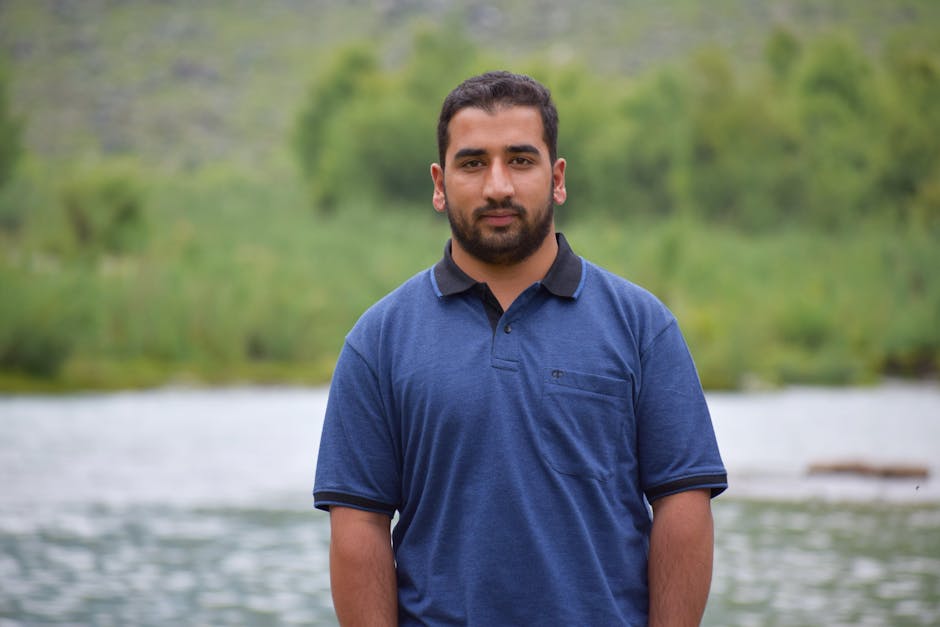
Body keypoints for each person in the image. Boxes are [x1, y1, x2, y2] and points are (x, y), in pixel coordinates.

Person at [314, 70, 727, 626]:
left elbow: (683, 504)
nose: (498, 186)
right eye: (473, 163)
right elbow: (358, 524)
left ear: (557, 178)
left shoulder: (641, 327)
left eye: (521, 160)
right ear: (439, 183)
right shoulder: (378, 341)